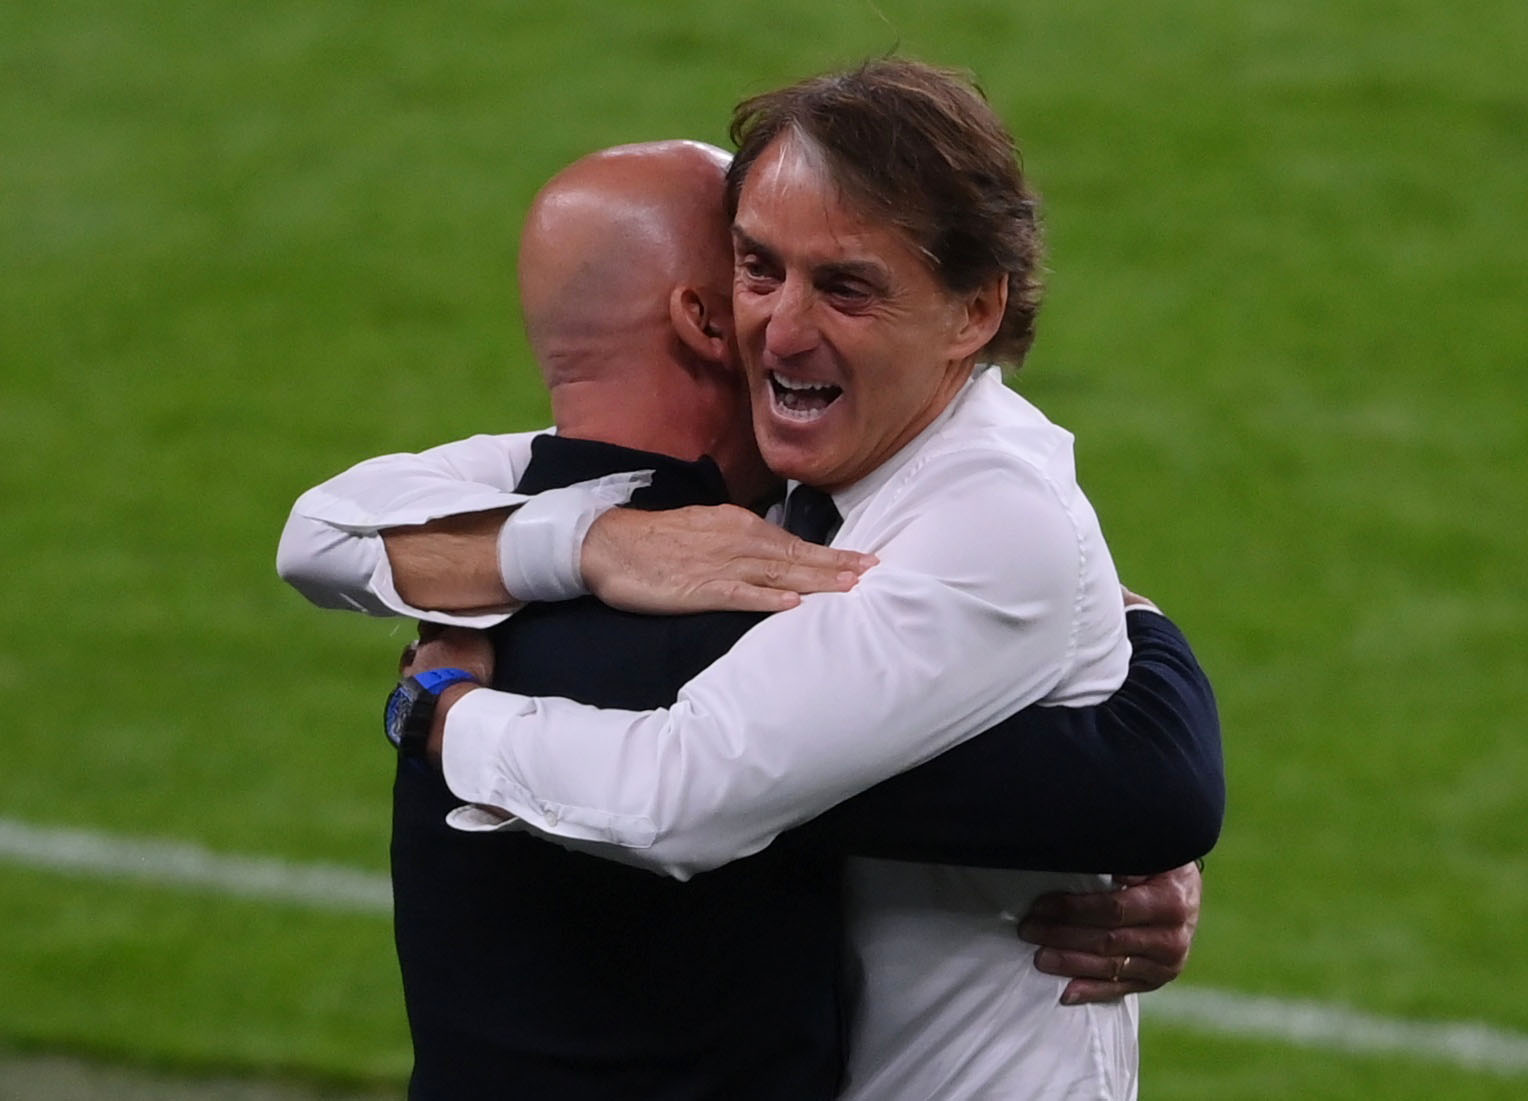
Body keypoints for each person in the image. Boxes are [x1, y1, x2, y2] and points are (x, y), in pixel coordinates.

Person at [279, 69, 1221, 1099]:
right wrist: (589, 543)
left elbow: (683, 795)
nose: (780, 326)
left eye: (846, 287)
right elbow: (322, 531)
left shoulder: (981, 516)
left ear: (973, 310)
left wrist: (440, 711)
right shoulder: (769, 480)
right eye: (757, 268)